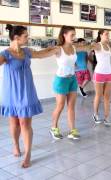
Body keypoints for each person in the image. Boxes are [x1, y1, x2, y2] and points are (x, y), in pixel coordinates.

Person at [0, 24, 58, 168]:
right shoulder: (5, 54)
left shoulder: (26, 51)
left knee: (25, 123)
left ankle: (28, 153)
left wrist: (56, 49)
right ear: (16, 38)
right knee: (14, 123)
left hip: (27, 92)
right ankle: (15, 144)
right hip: (11, 93)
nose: (28, 38)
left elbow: (42, 54)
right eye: (25, 36)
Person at [50, 25, 95, 140]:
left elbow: (87, 47)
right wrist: (29, 53)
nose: (74, 37)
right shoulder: (58, 49)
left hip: (72, 79)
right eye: (72, 35)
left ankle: (72, 130)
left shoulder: (74, 47)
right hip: (61, 80)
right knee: (60, 106)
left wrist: (99, 45)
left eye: (75, 35)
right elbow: (42, 54)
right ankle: (53, 127)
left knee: (71, 106)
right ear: (64, 35)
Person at [91, 29, 111, 126]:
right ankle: (95, 114)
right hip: (99, 73)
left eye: (108, 34)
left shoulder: (108, 46)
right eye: (106, 34)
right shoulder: (98, 45)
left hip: (108, 73)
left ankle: (106, 117)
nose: (108, 35)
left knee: (107, 97)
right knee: (99, 95)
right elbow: (90, 47)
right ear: (101, 35)